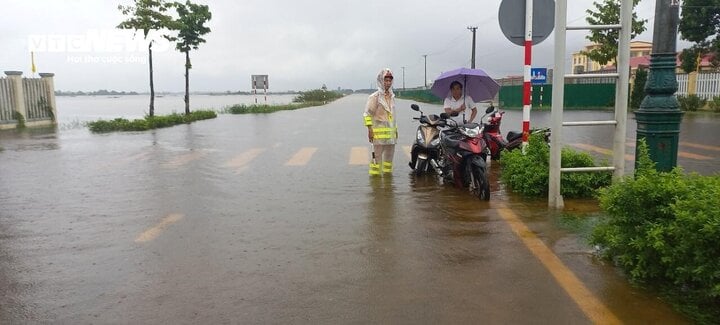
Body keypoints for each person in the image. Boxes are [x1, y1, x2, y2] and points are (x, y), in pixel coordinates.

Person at [363, 68, 398, 176]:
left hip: (390, 136)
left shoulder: (392, 97)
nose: (388, 83)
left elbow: (392, 116)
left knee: (388, 162)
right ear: (381, 81)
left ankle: (388, 187)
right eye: (385, 80)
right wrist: (370, 130)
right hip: (378, 136)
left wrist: (395, 130)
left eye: (389, 80)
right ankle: (375, 186)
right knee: (376, 163)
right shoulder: (375, 97)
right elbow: (367, 114)